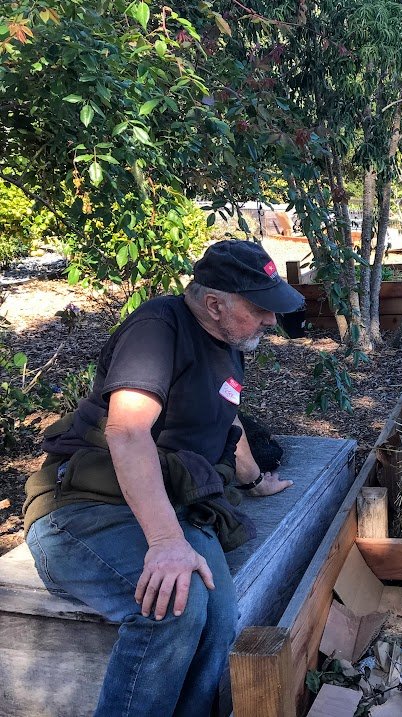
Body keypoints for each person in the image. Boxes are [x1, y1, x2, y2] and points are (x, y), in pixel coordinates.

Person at [22, 240, 305, 716]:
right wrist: (166, 541)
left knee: (216, 614)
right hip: (84, 508)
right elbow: (128, 432)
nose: (271, 321)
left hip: (170, 498)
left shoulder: (228, 342)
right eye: (261, 309)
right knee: (174, 605)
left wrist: (256, 481)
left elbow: (226, 423)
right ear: (215, 304)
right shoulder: (158, 328)